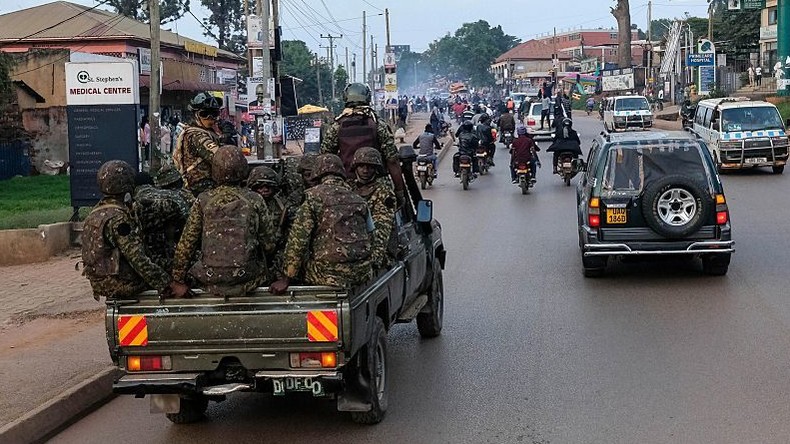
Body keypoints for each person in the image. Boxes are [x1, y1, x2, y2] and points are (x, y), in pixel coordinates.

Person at [171, 146, 279, 297]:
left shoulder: (203, 200)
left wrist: (177, 279)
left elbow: (187, 244)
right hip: (247, 277)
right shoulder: (255, 199)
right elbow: (269, 244)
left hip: (209, 277)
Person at [270, 154, 373, 294]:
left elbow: (298, 240)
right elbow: (371, 234)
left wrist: (286, 278)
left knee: (282, 262)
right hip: (362, 272)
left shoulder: (312, 197)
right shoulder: (359, 199)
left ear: (317, 173)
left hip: (328, 275)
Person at [81, 160, 181, 300]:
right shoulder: (118, 219)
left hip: (100, 281)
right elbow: (138, 259)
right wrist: (169, 284)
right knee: (183, 272)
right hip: (121, 283)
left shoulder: (95, 213)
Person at [321, 83, 406, 207]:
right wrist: (399, 192)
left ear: (345, 98)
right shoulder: (378, 125)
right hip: (378, 188)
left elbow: (325, 159)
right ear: (368, 98)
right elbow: (392, 161)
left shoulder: (336, 126)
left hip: (346, 189)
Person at [132, 166, 191, 272]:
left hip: (146, 259)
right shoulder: (172, 196)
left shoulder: (134, 202)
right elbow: (188, 221)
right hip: (176, 253)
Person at [173, 92, 231, 195]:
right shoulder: (196, 135)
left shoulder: (209, 132)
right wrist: (226, 140)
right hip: (201, 187)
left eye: (214, 114)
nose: (210, 118)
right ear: (196, 115)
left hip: (207, 185)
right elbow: (219, 158)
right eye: (205, 114)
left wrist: (226, 137)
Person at [351, 148, 397, 270]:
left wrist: (374, 260)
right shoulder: (348, 188)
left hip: (375, 252)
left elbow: (382, 227)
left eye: (370, 167)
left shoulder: (384, 192)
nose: (365, 170)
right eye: (362, 166)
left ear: (376, 169)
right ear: (355, 167)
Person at [248, 165, 290, 276]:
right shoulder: (247, 205)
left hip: (277, 250)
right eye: (260, 187)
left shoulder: (281, 205)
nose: (265, 190)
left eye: (268, 186)